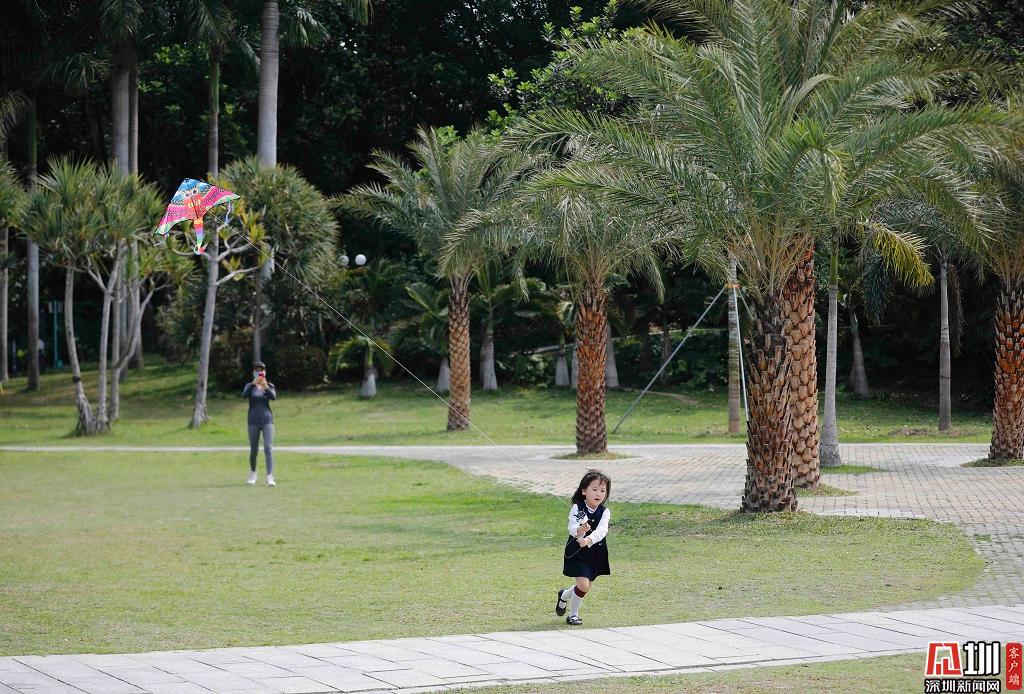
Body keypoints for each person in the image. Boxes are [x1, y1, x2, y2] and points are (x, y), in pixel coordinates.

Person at [555, 470, 611, 625]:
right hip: (577, 552)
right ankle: (573, 615)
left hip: (596, 552)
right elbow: (572, 527)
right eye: (594, 489)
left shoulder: (605, 512)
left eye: (603, 490)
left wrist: (588, 540)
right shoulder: (577, 508)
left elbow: (602, 530)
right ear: (584, 491)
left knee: (585, 587)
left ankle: (563, 596)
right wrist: (580, 530)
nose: (598, 494)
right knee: (583, 585)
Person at [242, 361, 277, 486]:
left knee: (268, 448)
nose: (259, 372)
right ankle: (253, 473)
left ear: (264, 372)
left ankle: (270, 477)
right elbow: (244, 395)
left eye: (261, 370)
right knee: (254, 449)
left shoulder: (269, 385)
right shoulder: (249, 386)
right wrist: (253, 384)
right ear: (253, 372)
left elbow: (273, 397)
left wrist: (265, 386)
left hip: (267, 421)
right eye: (256, 370)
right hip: (253, 421)